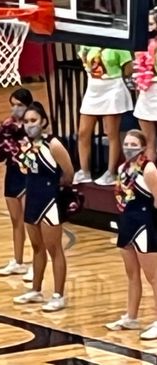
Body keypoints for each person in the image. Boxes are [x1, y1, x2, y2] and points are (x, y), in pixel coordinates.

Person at [12, 102, 74, 312]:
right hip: (32, 200)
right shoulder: (25, 145)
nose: (29, 125)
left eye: (33, 121)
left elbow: (69, 173)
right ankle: (36, 290)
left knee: (54, 249)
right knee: (37, 248)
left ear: (44, 122)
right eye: (26, 121)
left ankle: (59, 295)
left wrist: (55, 190)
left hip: (50, 201)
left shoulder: (54, 145)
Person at [106, 129, 157, 340]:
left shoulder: (150, 169)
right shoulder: (122, 168)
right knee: (131, 274)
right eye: (126, 144)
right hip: (126, 223)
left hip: (145, 225)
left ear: (144, 147)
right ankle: (131, 316)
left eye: (134, 145)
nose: (128, 148)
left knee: (154, 277)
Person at [73, 46, 133, 186]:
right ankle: (84, 171)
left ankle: (111, 173)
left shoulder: (119, 45)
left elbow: (129, 69)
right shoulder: (87, 44)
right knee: (83, 132)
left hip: (113, 88)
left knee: (111, 132)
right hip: (93, 88)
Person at [0, 88, 33, 280]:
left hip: (28, 175)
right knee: (16, 222)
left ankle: (36, 262)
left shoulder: (34, 126)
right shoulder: (7, 127)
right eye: (13, 105)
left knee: (31, 222)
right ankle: (18, 261)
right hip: (12, 174)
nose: (15, 109)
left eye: (20, 105)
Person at [133, 8, 157, 162]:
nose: (147, 25)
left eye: (151, 22)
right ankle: (149, 175)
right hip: (146, 90)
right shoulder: (142, 43)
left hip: (154, 87)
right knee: (150, 142)